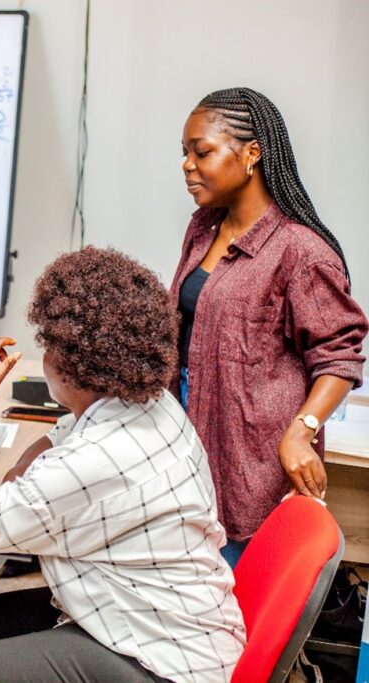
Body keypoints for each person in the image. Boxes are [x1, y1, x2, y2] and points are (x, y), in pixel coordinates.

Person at [0, 247, 246, 683]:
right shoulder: (147, 402)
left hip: (164, 666)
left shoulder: (94, 459)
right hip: (167, 620)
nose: (44, 356)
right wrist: (26, 484)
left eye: (48, 346)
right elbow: (51, 445)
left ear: (69, 366)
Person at [174, 87, 367, 566]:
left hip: (252, 466)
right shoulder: (202, 229)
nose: (187, 165)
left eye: (202, 152)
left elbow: (338, 356)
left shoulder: (300, 251)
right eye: (184, 153)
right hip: (185, 446)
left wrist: (302, 430)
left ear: (252, 153)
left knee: (235, 621)